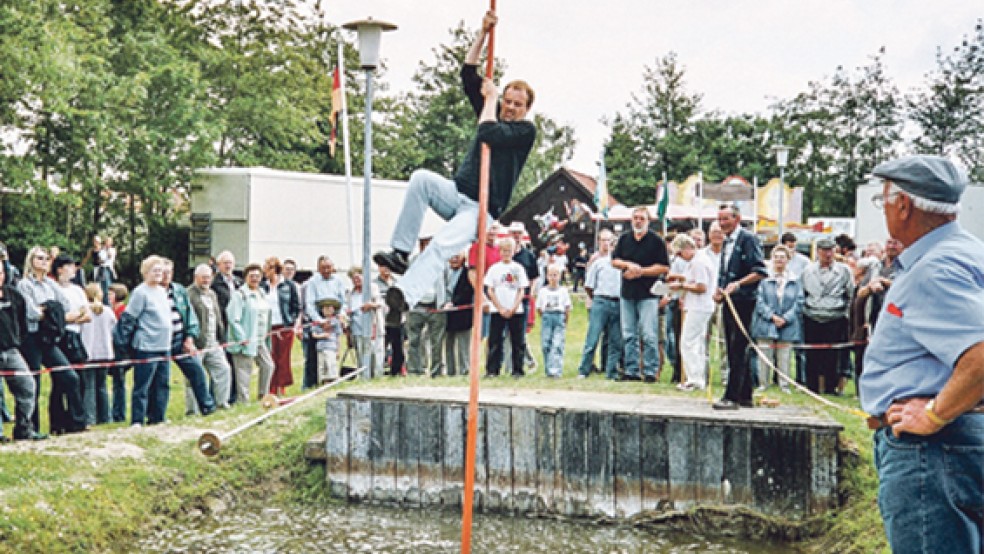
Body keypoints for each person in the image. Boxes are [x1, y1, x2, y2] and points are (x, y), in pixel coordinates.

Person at [374, 9, 536, 318]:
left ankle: (403, 297)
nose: (511, 108)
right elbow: (467, 73)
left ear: (526, 109)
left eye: (518, 105)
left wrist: (491, 100)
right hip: (456, 192)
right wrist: (482, 33)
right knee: (421, 178)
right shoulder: (492, 109)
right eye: (508, 101)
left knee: (441, 244)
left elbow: (488, 131)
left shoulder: (523, 132)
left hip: (480, 209)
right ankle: (400, 251)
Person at [858, 155, 984, 554]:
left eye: (883, 201)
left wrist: (933, 415)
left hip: (930, 455)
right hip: (955, 444)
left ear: (903, 206)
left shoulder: (935, 268)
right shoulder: (967, 251)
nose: (885, 211)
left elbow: (980, 354)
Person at [712, 204, 767, 410]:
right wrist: (720, 289)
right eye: (720, 219)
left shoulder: (748, 239)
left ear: (737, 219)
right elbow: (726, 271)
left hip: (744, 301)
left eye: (726, 219)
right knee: (731, 345)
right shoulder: (726, 242)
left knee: (738, 347)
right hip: (729, 300)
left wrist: (739, 284)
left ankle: (732, 396)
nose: (722, 223)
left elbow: (760, 271)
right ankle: (745, 395)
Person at [611, 207, 669, 383]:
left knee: (649, 334)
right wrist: (628, 265)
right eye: (635, 218)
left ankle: (651, 371)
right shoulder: (624, 239)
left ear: (648, 221)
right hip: (627, 293)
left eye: (641, 218)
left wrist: (640, 271)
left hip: (648, 294)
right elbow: (614, 260)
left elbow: (664, 267)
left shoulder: (656, 241)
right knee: (629, 334)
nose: (638, 221)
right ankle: (632, 370)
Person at [114, 255, 172, 426]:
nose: (159, 274)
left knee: (162, 383)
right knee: (143, 385)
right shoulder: (140, 292)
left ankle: (158, 417)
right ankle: (137, 419)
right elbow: (129, 318)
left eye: (161, 271)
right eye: (155, 270)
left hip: (164, 345)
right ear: (146, 272)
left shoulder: (162, 291)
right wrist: (124, 346)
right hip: (147, 345)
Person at [160, 260, 215, 417]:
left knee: (197, 371)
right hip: (160, 343)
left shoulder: (178, 290)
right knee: (162, 380)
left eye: (169, 272)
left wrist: (189, 337)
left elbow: (190, 316)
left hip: (180, 340)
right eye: (163, 273)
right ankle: (158, 416)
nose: (166, 276)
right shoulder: (152, 292)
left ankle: (207, 407)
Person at [800, 238, 854, 395]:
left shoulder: (844, 271)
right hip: (812, 315)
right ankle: (812, 387)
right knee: (812, 355)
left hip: (835, 317)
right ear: (818, 252)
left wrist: (846, 314)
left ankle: (831, 387)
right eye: (824, 250)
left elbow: (850, 294)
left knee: (833, 355)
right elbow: (802, 293)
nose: (828, 254)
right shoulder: (808, 271)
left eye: (831, 250)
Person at [0, 263, 45, 441]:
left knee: (28, 386)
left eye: (1, 272)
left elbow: (22, 322)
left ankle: (24, 428)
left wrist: (18, 340)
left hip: (11, 350)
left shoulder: (14, 295)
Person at [750, 245, 803, 394]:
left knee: (784, 356)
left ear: (788, 260)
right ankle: (763, 383)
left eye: (782, 257)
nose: (779, 260)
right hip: (766, 323)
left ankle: (784, 385)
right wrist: (771, 316)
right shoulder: (764, 279)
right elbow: (759, 300)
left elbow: (799, 302)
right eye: (776, 257)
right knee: (764, 355)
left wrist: (785, 318)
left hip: (788, 324)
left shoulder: (795, 280)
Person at [667, 234, 716, 391]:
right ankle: (698, 377)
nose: (680, 257)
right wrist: (680, 278)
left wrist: (681, 287)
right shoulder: (697, 261)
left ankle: (694, 378)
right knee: (697, 343)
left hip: (699, 306)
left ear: (688, 248)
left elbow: (702, 286)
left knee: (687, 342)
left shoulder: (699, 263)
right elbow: (693, 279)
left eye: (680, 253)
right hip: (700, 306)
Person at [49, 254, 91, 434]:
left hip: (76, 336)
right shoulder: (53, 289)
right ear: (60, 269)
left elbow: (87, 315)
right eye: (70, 266)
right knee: (61, 381)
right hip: (61, 337)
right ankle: (58, 422)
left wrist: (73, 317)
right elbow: (57, 318)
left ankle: (77, 419)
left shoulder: (78, 290)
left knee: (80, 380)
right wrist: (72, 317)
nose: (74, 269)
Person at [576, 229, 622, 380]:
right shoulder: (599, 263)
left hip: (617, 301)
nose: (608, 245)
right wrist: (595, 298)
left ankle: (611, 371)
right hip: (600, 300)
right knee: (593, 337)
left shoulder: (621, 264)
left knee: (615, 339)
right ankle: (584, 369)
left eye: (611, 242)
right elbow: (589, 285)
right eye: (605, 241)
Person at [187, 264, 232, 411]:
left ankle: (221, 403)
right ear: (196, 278)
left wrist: (221, 336)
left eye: (208, 277)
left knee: (224, 370)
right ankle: (193, 410)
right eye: (203, 277)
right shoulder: (189, 294)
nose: (206, 280)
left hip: (214, 342)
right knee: (194, 377)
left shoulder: (212, 294)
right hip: (197, 343)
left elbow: (217, 316)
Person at [227, 264, 274, 402]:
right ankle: (243, 401)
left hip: (260, 340)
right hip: (245, 340)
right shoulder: (239, 295)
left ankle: (263, 396)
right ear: (246, 278)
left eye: (257, 276)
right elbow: (232, 318)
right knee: (244, 372)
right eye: (251, 276)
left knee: (268, 365)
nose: (255, 279)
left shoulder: (262, 294)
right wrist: (242, 338)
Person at [483, 237, 529, 378]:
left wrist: (514, 307)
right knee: (495, 341)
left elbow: (522, 289)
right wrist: (499, 307)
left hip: (516, 310)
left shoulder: (518, 268)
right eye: (503, 250)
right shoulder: (494, 269)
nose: (506, 253)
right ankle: (492, 370)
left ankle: (517, 370)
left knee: (518, 341)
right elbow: (490, 289)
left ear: (514, 251)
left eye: (509, 250)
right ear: (500, 251)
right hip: (497, 309)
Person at [405, 236, 449, 377]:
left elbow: (447, 283)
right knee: (414, 340)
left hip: (436, 305)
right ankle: (415, 369)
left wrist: (445, 301)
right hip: (416, 305)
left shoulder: (441, 262)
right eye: (424, 244)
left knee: (437, 341)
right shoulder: (413, 261)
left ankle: (436, 370)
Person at [302, 256, 347, 388]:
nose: (327, 270)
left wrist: (340, 315)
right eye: (323, 268)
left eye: (329, 267)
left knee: (331, 354)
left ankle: (332, 379)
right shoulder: (313, 282)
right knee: (312, 356)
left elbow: (343, 301)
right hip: (317, 318)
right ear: (318, 268)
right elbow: (309, 304)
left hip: (334, 317)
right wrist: (319, 320)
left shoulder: (338, 281)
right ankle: (311, 384)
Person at [262, 257, 301, 396]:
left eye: (267, 268)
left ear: (275, 269)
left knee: (283, 359)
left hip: (284, 326)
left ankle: (281, 387)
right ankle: (271, 387)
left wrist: (292, 322)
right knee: (271, 358)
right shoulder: (263, 286)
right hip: (268, 327)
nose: (265, 271)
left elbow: (296, 306)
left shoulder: (288, 285)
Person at [79, 283, 114, 425]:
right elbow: (113, 327)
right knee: (102, 386)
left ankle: (90, 417)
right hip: (104, 352)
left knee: (89, 387)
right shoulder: (108, 311)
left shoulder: (83, 311)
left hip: (88, 352)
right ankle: (106, 417)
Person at [211, 250, 242, 403]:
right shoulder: (214, 284)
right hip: (223, 327)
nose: (228, 265)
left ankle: (234, 395)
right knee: (223, 363)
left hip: (237, 327)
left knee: (236, 362)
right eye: (225, 263)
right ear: (219, 265)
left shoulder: (238, 282)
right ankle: (221, 395)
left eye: (230, 262)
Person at [346, 267, 385, 379]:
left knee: (375, 353)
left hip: (373, 327)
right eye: (353, 278)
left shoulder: (372, 288)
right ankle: (364, 377)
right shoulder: (350, 293)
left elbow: (380, 303)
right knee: (361, 353)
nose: (356, 280)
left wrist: (370, 305)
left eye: (358, 277)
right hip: (357, 328)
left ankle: (377, 376)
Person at [536, 264, 571, 378]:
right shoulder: (543, 291)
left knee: (557, 344)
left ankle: (556, 371)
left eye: (555, 275)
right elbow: (539, 308)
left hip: (559, 316)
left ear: (559, 276)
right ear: (547, 276)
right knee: (546, 344)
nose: (553, 278)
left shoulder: (563, 291)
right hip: (547, 316)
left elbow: (567, 307)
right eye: (550, 275)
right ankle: (548, 369)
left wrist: (565, 320)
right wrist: (544, 317)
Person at [444, 253, 472, 377]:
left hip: (462, 314)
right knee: (448, 343)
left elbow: (468, 291)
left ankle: (464, 370)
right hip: (445, 313)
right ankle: (450, 371)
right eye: (452, 256)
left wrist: (454, 302)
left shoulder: (468, 273)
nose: (454, 259)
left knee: (463, 345)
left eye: (457, 256)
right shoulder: (443, 272)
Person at [107, 283, 129, 422]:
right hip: (111, 350)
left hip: (120, 352)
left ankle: (119, 413)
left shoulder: (122, 312)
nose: (108, 296)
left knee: (119, 383)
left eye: (111, 294)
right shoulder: (111, 310)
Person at [311, 301, 343, 384]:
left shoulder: (335, 322)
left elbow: (338, 336)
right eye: (325, 308)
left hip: (331, 347)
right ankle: (322, 381)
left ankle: (333, 380)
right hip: (321, 347)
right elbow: (314, 334)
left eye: (329, 308)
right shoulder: (318, 321)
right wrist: (322, 335)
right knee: (322, 365)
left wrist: (338, 350)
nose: (327, 310)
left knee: (331, 364)